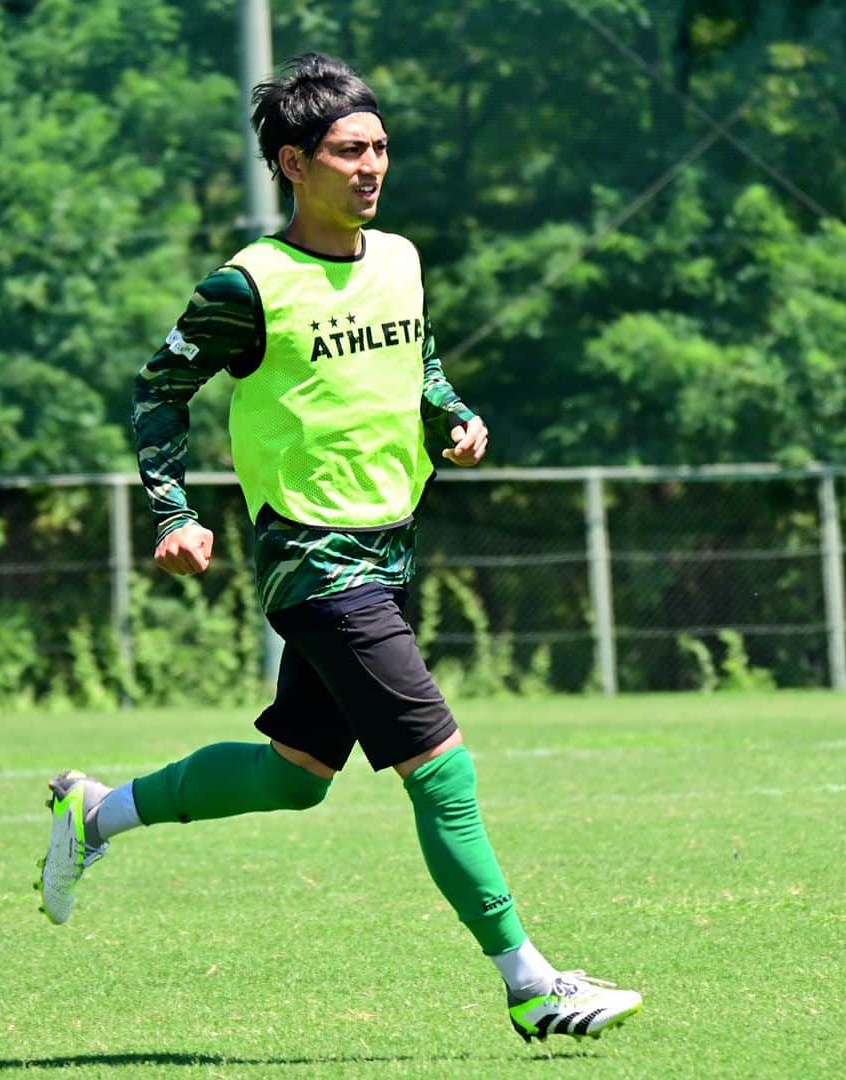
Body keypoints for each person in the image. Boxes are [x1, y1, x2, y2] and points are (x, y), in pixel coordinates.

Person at [38, 52, 642, 1045]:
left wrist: (451, 414)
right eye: (349, 151)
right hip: (313, 560)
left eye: (380, 149)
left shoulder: (400, 257)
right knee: (440, 768)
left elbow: (421, 356)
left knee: (297, 772)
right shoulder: (249, 284)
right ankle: (532, 984)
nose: (372, 167)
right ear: (293, 162)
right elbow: (158, 393)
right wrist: (172, 512)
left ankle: (95, 816)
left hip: (392, 550)